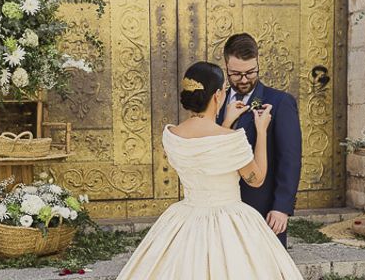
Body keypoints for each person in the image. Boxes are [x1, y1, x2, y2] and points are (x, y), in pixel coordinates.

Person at [116, 61, 304, 280]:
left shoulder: (171, 135)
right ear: (217, 95)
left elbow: (206, 155)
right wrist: (261, 131)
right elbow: (256, 178)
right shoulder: (231, 140)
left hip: (185, 218)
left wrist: (226, 121)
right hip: (228, 220)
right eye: (224, 89)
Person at [218, 33, 302, 247]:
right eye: (236, 74)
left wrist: (282, 207)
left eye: (250, 72)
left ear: (257, 63)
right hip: (220, 213)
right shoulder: (216, 102)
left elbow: (289, 160)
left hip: (262, 210)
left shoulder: (280, 102)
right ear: (226, 66)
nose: (244, 79)